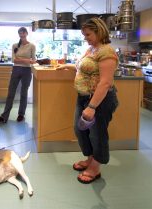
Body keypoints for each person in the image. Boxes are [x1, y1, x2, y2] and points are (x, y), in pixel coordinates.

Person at [56, 18, 119, 184]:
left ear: (99, 31)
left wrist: (92, 107)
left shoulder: (107, 52)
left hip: (99, 101)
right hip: (83, 97)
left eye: (88, 34)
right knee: (81, 131)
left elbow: (105, 83)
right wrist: (68, 66)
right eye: (84, 35)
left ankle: (96, 166)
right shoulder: (91, 48)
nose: (85, 38)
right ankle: (91, 158)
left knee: (97, 134)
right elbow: (82, 67)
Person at [0, 27, 36, 123]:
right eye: (20, 33)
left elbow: (33, 61)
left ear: (26, 33)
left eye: (23, 33)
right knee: (10, 93)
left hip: (27, 71)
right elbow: (14, 60)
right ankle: (4, 116)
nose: (21, 35)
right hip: (16, 69)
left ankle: (21, 114)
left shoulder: (32, 46)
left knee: (23, 94)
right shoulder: (15, 46)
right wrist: (26, 60)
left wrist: (21, 59)